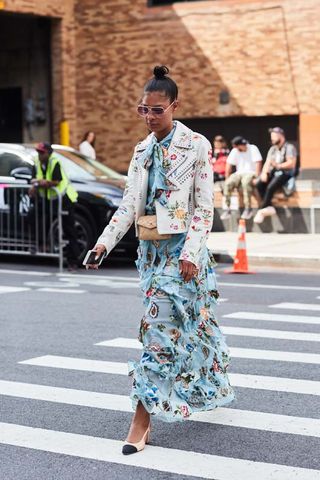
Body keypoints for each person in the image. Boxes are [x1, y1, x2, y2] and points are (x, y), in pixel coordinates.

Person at [86, 65, 234, 455]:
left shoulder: (196, 145)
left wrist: (191, 253)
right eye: (143, 110)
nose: (150, 117)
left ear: (174, 106)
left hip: (183, 255)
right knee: (194, 326)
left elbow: (204, 209)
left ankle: (141, 419)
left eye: (157, 110)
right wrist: (102, 244)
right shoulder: (141, 151)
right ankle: (210, 386)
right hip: (151, 257)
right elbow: (129, 206)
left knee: (157, 330)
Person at [29, 142, 81, 270]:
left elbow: (56, 182)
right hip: (50, 199)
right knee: (34, 216)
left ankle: (73, 262)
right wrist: (35, 185)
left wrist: (40, 183)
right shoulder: (36, 162)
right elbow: (33, 179)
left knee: (69, 230)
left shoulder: (54, 162)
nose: (39, 155)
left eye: (42, 152)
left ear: (49, 153)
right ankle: (41, 245)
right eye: (38, 152)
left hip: (65, 199)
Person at [253, 127, 297, 224]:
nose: (272, 138)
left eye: (274, 136)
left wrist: (278, 165)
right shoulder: (273, 149)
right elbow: (267, 163)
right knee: (259, 184)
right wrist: (264, 173)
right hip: (274, 173)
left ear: (281, 136)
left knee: (270, 187)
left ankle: (261, 210)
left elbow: (291, 163)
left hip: (286, 173)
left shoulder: (289, 147)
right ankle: (269, 207)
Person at [220, 136, 262, 220]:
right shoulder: (235, 150)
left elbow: (258, 162)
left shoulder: (253, 148)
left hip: (251, 172)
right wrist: (227, 178)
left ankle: (248, 209)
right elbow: (229, 165)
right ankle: (227, 209)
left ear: (241, 145)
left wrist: (257, 177)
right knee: (227, 184)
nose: (236, 148)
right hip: (239, 173)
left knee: (245, 183)